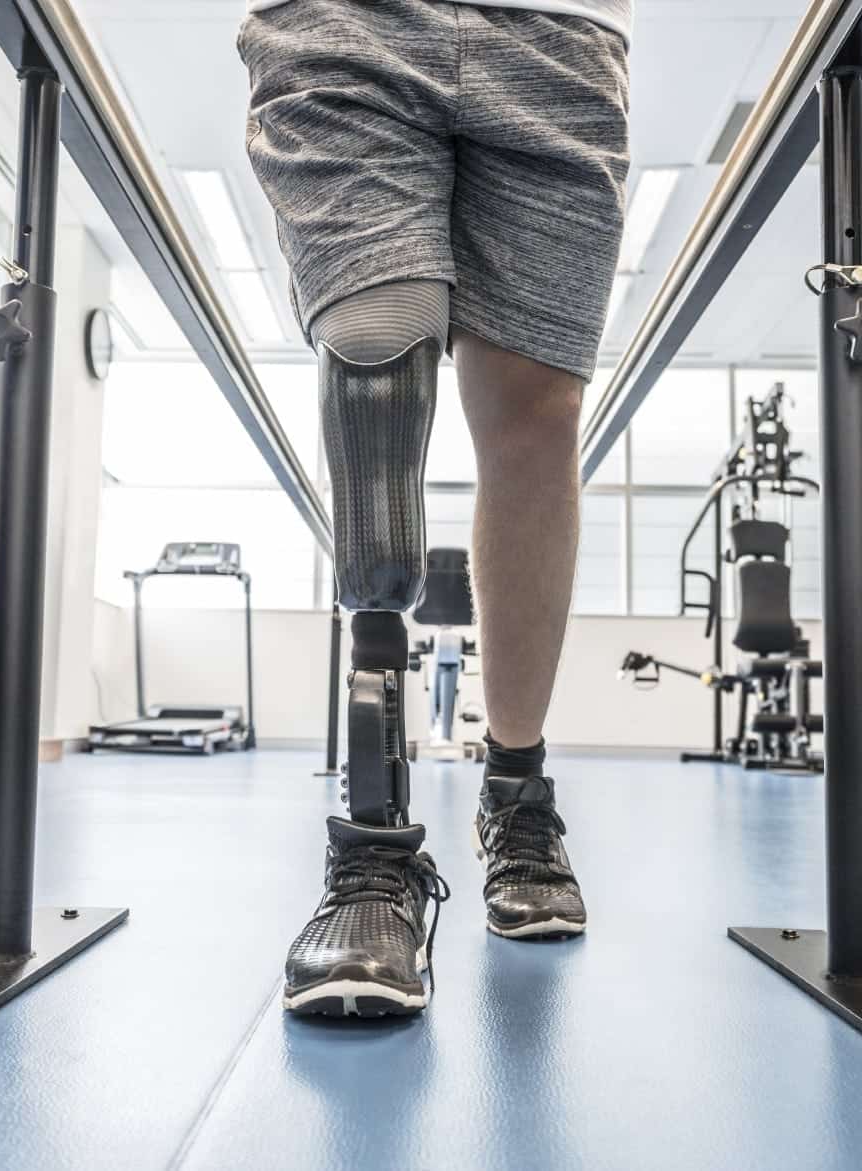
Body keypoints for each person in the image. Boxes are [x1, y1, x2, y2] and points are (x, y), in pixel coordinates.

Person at [236, 0, 632, 1016]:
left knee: (534, 414)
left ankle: (515, 790)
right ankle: (373, 841)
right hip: (343, 21)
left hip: (558, 32)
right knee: (375, 342)